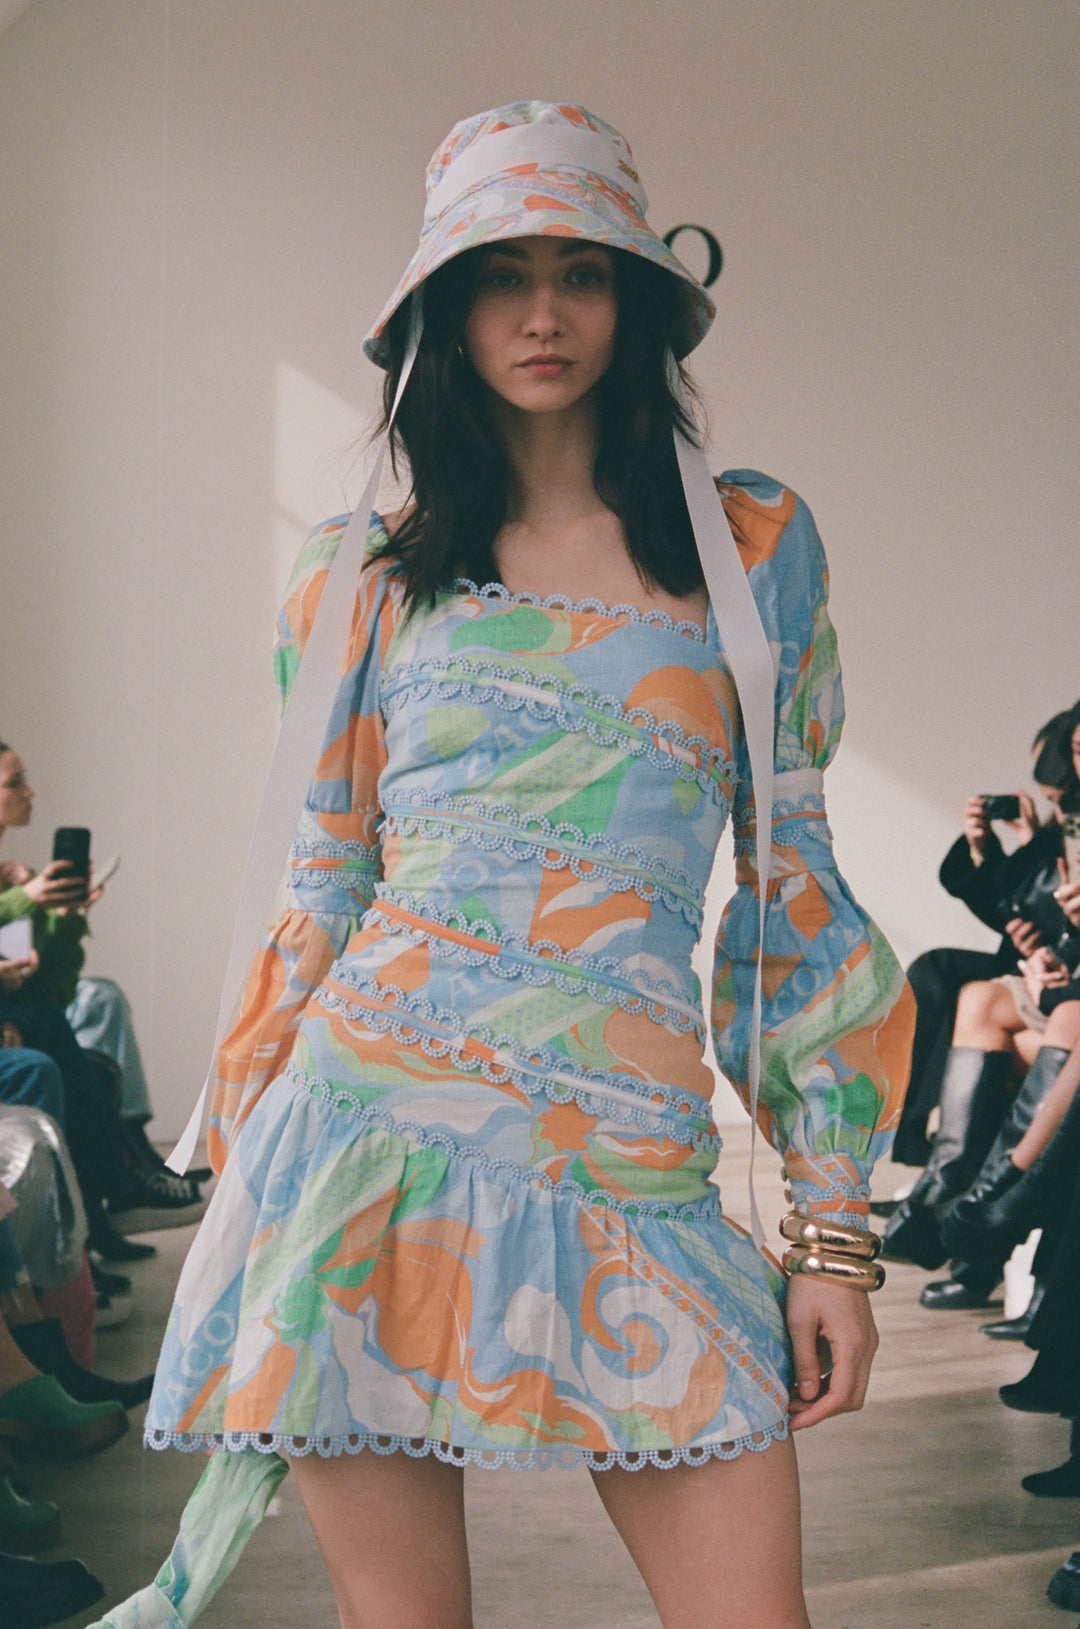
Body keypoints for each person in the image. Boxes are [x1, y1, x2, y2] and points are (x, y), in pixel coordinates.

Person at [90, 104, 912, 1629]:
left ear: (635, 303)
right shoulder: (358, 574)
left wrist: (834, 1233)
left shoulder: (750, 549)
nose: (543, 314)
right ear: (441, 315)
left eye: (581, 273)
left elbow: (791, 887)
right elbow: (322, 886)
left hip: (639, 1160)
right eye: (500, 275)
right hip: (365, 1143)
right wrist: (245, 1174)